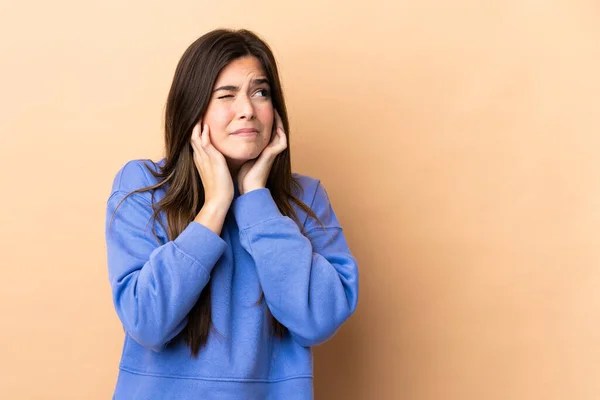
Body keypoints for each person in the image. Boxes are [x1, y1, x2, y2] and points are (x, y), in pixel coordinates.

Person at [104, 28, 359, 400]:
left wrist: (256, 199)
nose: (248, 110)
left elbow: (317, 320)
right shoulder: (143, 186)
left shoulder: (306, 198)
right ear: (193, 108)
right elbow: (147, 321)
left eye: (261, 93)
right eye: (227, 95)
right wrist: (215, 205)